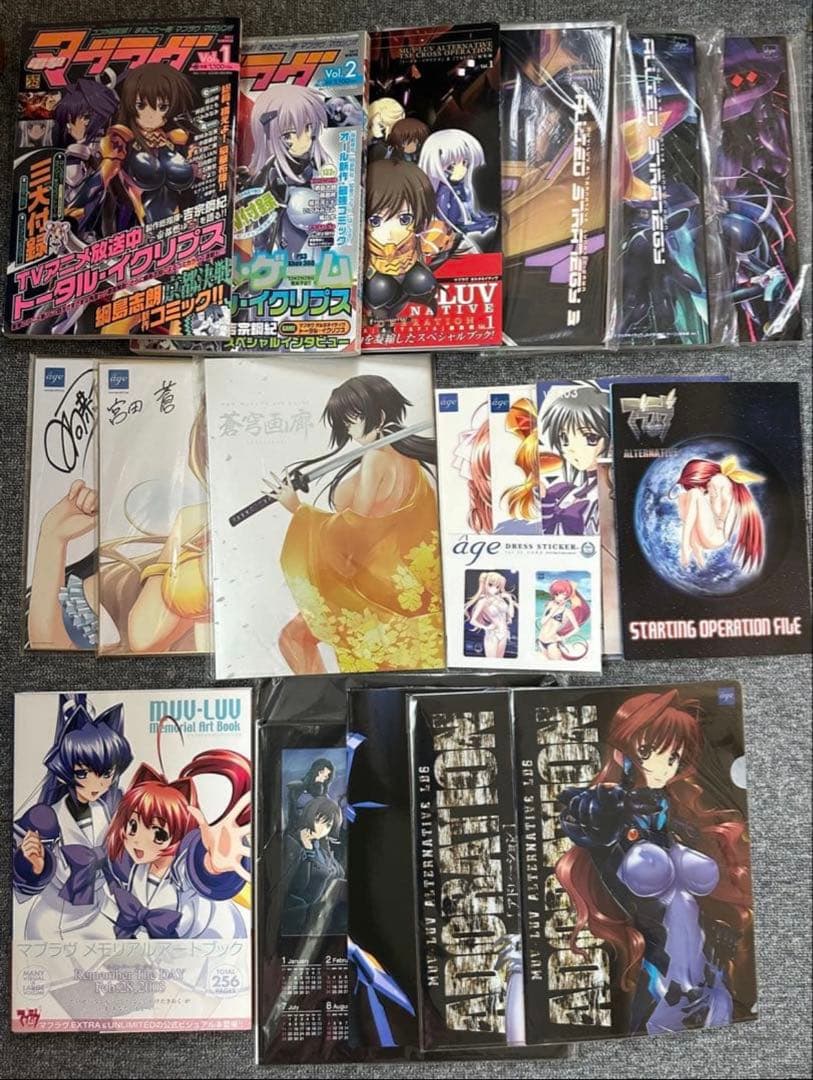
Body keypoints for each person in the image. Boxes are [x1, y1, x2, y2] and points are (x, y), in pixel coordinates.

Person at [555, 690, 752, 1034]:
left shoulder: (669, 814)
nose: (665, 767)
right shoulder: (607, 813)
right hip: (659, 968)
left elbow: (686, 894)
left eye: (674, 757)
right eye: (650, 751)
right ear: (624, 753)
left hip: (702, 962)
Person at [264, 374, 443, 674]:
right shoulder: (407, 458)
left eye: (353, 419)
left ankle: (322, 697)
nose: (347, 428)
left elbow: (354, 529)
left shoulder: (376, 457)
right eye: (343, 422)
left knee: (294, 638)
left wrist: (297, 508)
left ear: (379, 416)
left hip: (376, 581)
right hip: (397, 580)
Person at [674, 455, 765, 572]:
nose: (701, 488)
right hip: (709, 536)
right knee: (683, 497)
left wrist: (720, 522)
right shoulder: (716, 484)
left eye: (695, 483)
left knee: (694, 493)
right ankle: (696, 550)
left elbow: (726, 504)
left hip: (716, 535)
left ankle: (686, 545)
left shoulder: (719, 479)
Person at [464, 571, 517, 659]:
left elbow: (511, 615)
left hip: (504, 633)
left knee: (500, 661)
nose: (494, 589)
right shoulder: (483, 601)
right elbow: (473, 621)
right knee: (491, 662)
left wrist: (510, 599)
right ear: (485, 584)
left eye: (497, 586)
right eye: (490, 585)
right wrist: (486, 627)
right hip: (492, 634)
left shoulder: (501, 600)